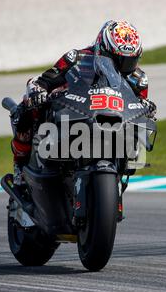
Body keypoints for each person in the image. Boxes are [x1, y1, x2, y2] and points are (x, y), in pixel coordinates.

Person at [11, 20, 157, 185]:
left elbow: (141, 109)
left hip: (113, 123)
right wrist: (39, 93)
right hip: (74, 111)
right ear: (103, 49)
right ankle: (20, 165)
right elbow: (40, 82)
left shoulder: (138, 80)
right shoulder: (76, 58)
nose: (122, 67)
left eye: (129, 61)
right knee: (26, 107)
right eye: (117, 60)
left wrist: (148, 110)